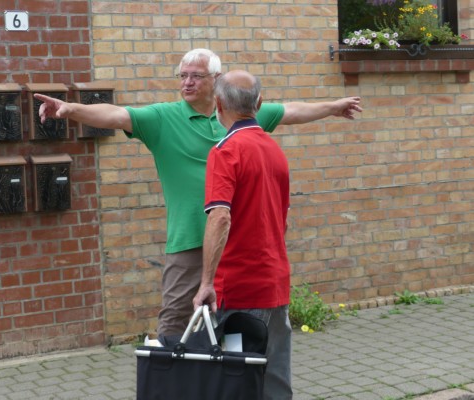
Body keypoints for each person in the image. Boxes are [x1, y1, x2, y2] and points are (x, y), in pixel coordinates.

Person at [34, 48, 362, 337]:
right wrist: (71, 109)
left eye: (196, 76)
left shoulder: (238, 114)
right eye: (183, 76)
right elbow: (117, 114)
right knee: (176, 325)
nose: (187, 82)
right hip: (190, 242)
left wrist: (332, 107)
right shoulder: (163, 118)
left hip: (238, 246)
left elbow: (290, 111)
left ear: (216, 81)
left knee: (235, 329)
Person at [192, 70, 292, 400]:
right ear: (259, 104)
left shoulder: (226, 151)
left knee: (239, 384)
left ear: (218, 104)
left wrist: (206, 282)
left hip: (240, 290)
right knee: (274, 381)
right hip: (275, 283)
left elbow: (220, 217)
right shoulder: (275, 150)